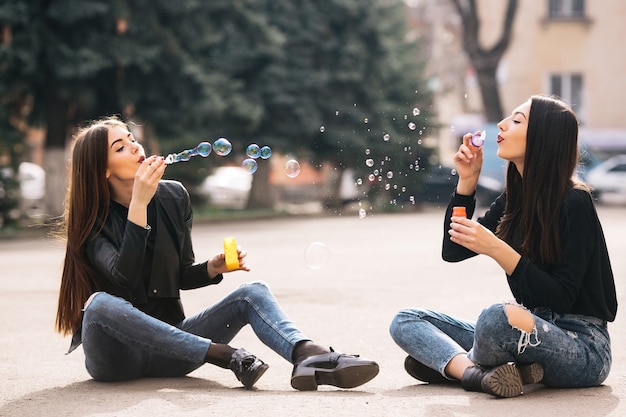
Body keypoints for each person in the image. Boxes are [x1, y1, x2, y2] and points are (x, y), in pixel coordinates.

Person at [55, 116, 379, 391]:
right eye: (120, 147)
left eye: (131, 138)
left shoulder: (172, 197)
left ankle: (309, 355)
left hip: (175, 349)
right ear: (103, 172)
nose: (135, 146)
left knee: (253, 292)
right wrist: (138, 205)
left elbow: (180, 275)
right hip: (118, 358)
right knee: (99, 304)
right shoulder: (92, 220)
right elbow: (123, 282)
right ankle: (223, 355)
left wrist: (211, 268)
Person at [389, 95, 617, 398]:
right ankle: (477, 374)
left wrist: (498, 249)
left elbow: (562, 297)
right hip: (527, 331)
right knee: (407, 319)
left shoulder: (575, 202)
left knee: (496, 319)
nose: (501, 124)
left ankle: (455, 365)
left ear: (543, 138)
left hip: (582, 347)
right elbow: (453, 250)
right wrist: (466, 183)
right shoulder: (514, 200)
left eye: (517, 120)